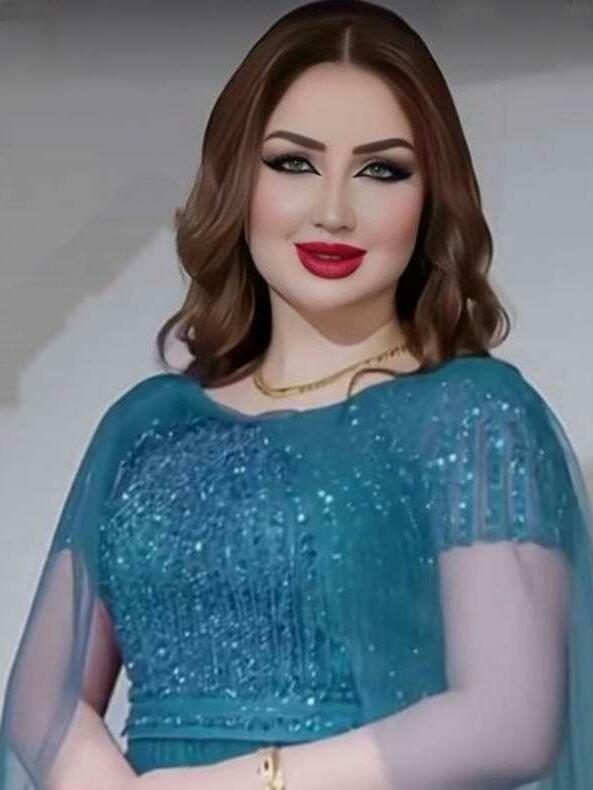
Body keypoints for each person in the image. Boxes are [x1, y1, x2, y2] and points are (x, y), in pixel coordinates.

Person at [2, 1, 593, 788]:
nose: (333, 211)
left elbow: (508, 720)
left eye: (381, 170)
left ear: (430, 198)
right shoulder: (148, 425)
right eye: (293, 163)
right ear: (235, 178)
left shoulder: (472, 414)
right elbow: (41, 700)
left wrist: (232, 784)